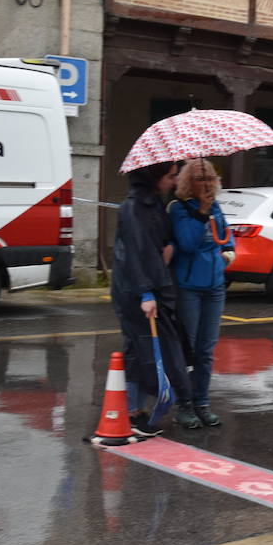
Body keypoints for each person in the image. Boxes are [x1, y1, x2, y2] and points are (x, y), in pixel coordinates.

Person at [110, 160, 194, 437]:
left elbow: (158, 242)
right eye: (170, 175)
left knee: (139, 352)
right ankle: (134, 413)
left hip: (150, 288)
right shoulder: (135, 207)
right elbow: (135, 253)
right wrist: (145, 293)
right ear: (155, 175)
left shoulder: (154, 203)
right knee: (143, 353)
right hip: (136, 293)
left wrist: (168, 244)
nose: (173, 181)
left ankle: (135, 411)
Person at [168, 158, 235, 429]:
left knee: (206, 351)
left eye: (209, 179)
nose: (206, 184)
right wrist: (202, 212)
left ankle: (202, 403)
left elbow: (226, 236)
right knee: (190, 350)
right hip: (189, 288)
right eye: (199, 179)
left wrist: (228, 253)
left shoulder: (216, 206)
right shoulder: (178, 209)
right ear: (187, 182)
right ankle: (184, 404)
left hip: (215, 286)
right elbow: (186, 243)